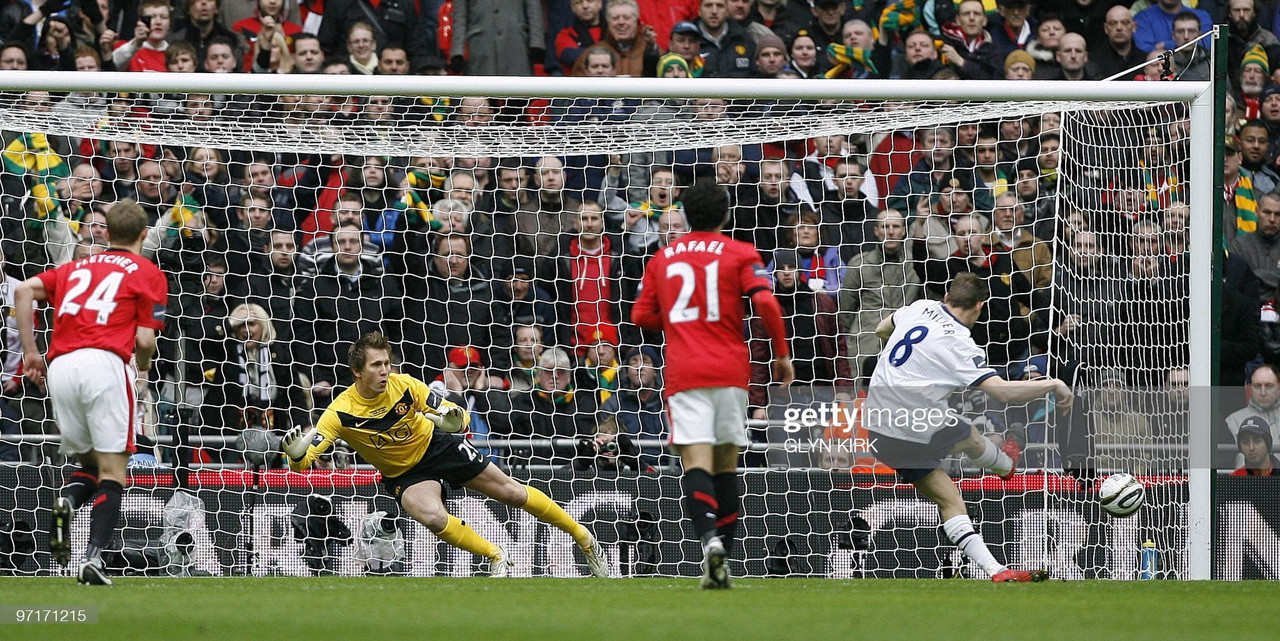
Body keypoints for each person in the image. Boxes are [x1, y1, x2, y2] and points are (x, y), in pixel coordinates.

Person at [282, 332, 609, 578]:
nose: (385, 371)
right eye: (376, 365)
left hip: (437, 447)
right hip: (406, 473)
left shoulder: (406, 385)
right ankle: (496, 556)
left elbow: (452, 414)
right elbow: (305, 463)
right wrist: (296, 456)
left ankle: (584, 538)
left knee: (511, 492)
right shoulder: (339, 413)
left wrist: (456, 419)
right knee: (431, 516)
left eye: (387, 363)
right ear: (357, 370)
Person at [632, 178, 794, 589]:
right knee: (727, 465)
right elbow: (765, 302)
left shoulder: (664, 258)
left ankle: (708, 543)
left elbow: (640, 317)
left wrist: (678, 318)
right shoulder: (741, 252)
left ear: (685, 215)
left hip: (686, 371)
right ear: (725, 214)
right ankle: (724, 552)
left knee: (696, 463)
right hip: (731, 370)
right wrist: (780, 353)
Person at [863, 273, 1071, 582]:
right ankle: (1005, 464)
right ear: (979, 306)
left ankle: (997, 572)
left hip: (877, 430)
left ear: (946, 297)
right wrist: (1054, 384)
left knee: (951, 501)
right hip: (913, 425)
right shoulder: (960, 343)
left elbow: (882, 329)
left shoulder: (919, 307)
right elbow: (1001, 391)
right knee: (966, 431)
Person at [16, 200, 169, 585]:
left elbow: (22, 291)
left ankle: (67, 502)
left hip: (62, 367)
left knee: (89, 465)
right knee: (115, 471)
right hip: (105, 364)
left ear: (105, 233)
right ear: (143, 234)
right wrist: (144, 369)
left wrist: (31, 354)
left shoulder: (75, 267)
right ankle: (93, 558)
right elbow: (145, 339)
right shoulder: (148, 271)